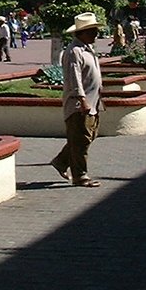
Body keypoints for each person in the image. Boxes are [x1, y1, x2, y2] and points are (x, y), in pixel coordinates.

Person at [49, 12, 105, 188]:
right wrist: (82, 100)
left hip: (93, 101)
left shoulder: (88, 49)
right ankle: (80, 175)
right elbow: (75, 78)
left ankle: (61, 161)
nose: (96, 33)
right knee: (81, 140)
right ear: (81, 33)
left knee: (86, 137)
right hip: (80, 104)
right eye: (92, 30)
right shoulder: (74, 51)